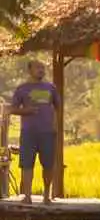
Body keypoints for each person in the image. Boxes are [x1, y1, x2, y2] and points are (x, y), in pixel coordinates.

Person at [8, 60, 61, 202]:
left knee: (48, 164)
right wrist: (26, 110)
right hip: (28, 133)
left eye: (43, 68)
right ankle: (27, 196)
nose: (41, 70)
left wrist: (55, 125)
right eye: (38, 67)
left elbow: (58, 107)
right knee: (27, 164)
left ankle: (46, 196)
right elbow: (12, 109)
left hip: (47, 133)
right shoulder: (22, 89)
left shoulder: (51, 88)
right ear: (29, 70)